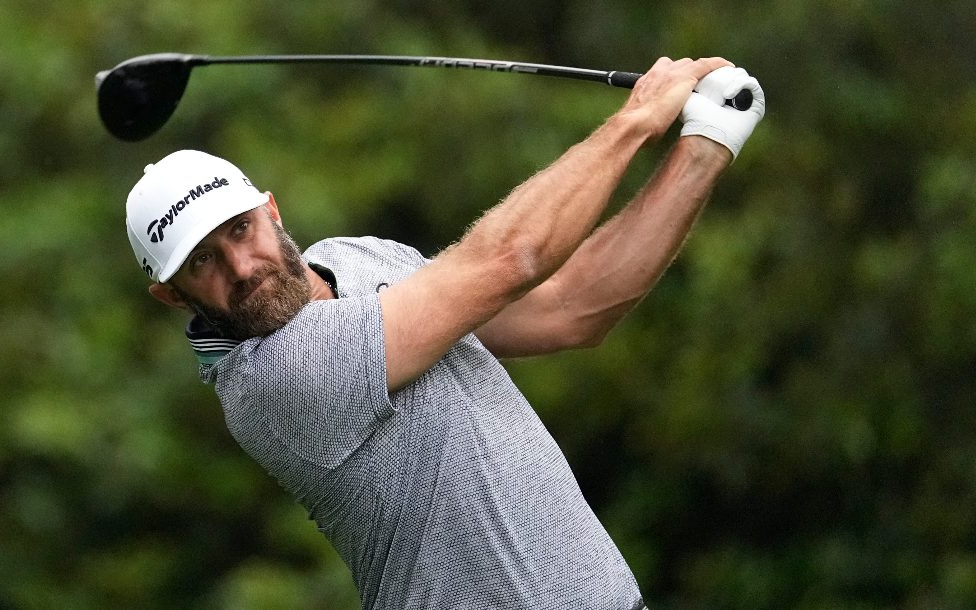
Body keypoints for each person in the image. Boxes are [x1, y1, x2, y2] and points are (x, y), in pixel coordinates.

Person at [124, 56, 764, 610]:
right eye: (202, 261)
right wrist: (637, 121)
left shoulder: (356, 257)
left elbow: (572, 307)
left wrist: (707, 142)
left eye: (239, 230)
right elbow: (508, 260)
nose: (241, 267)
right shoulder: (274, 381)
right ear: (169, 295)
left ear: (270, 209)